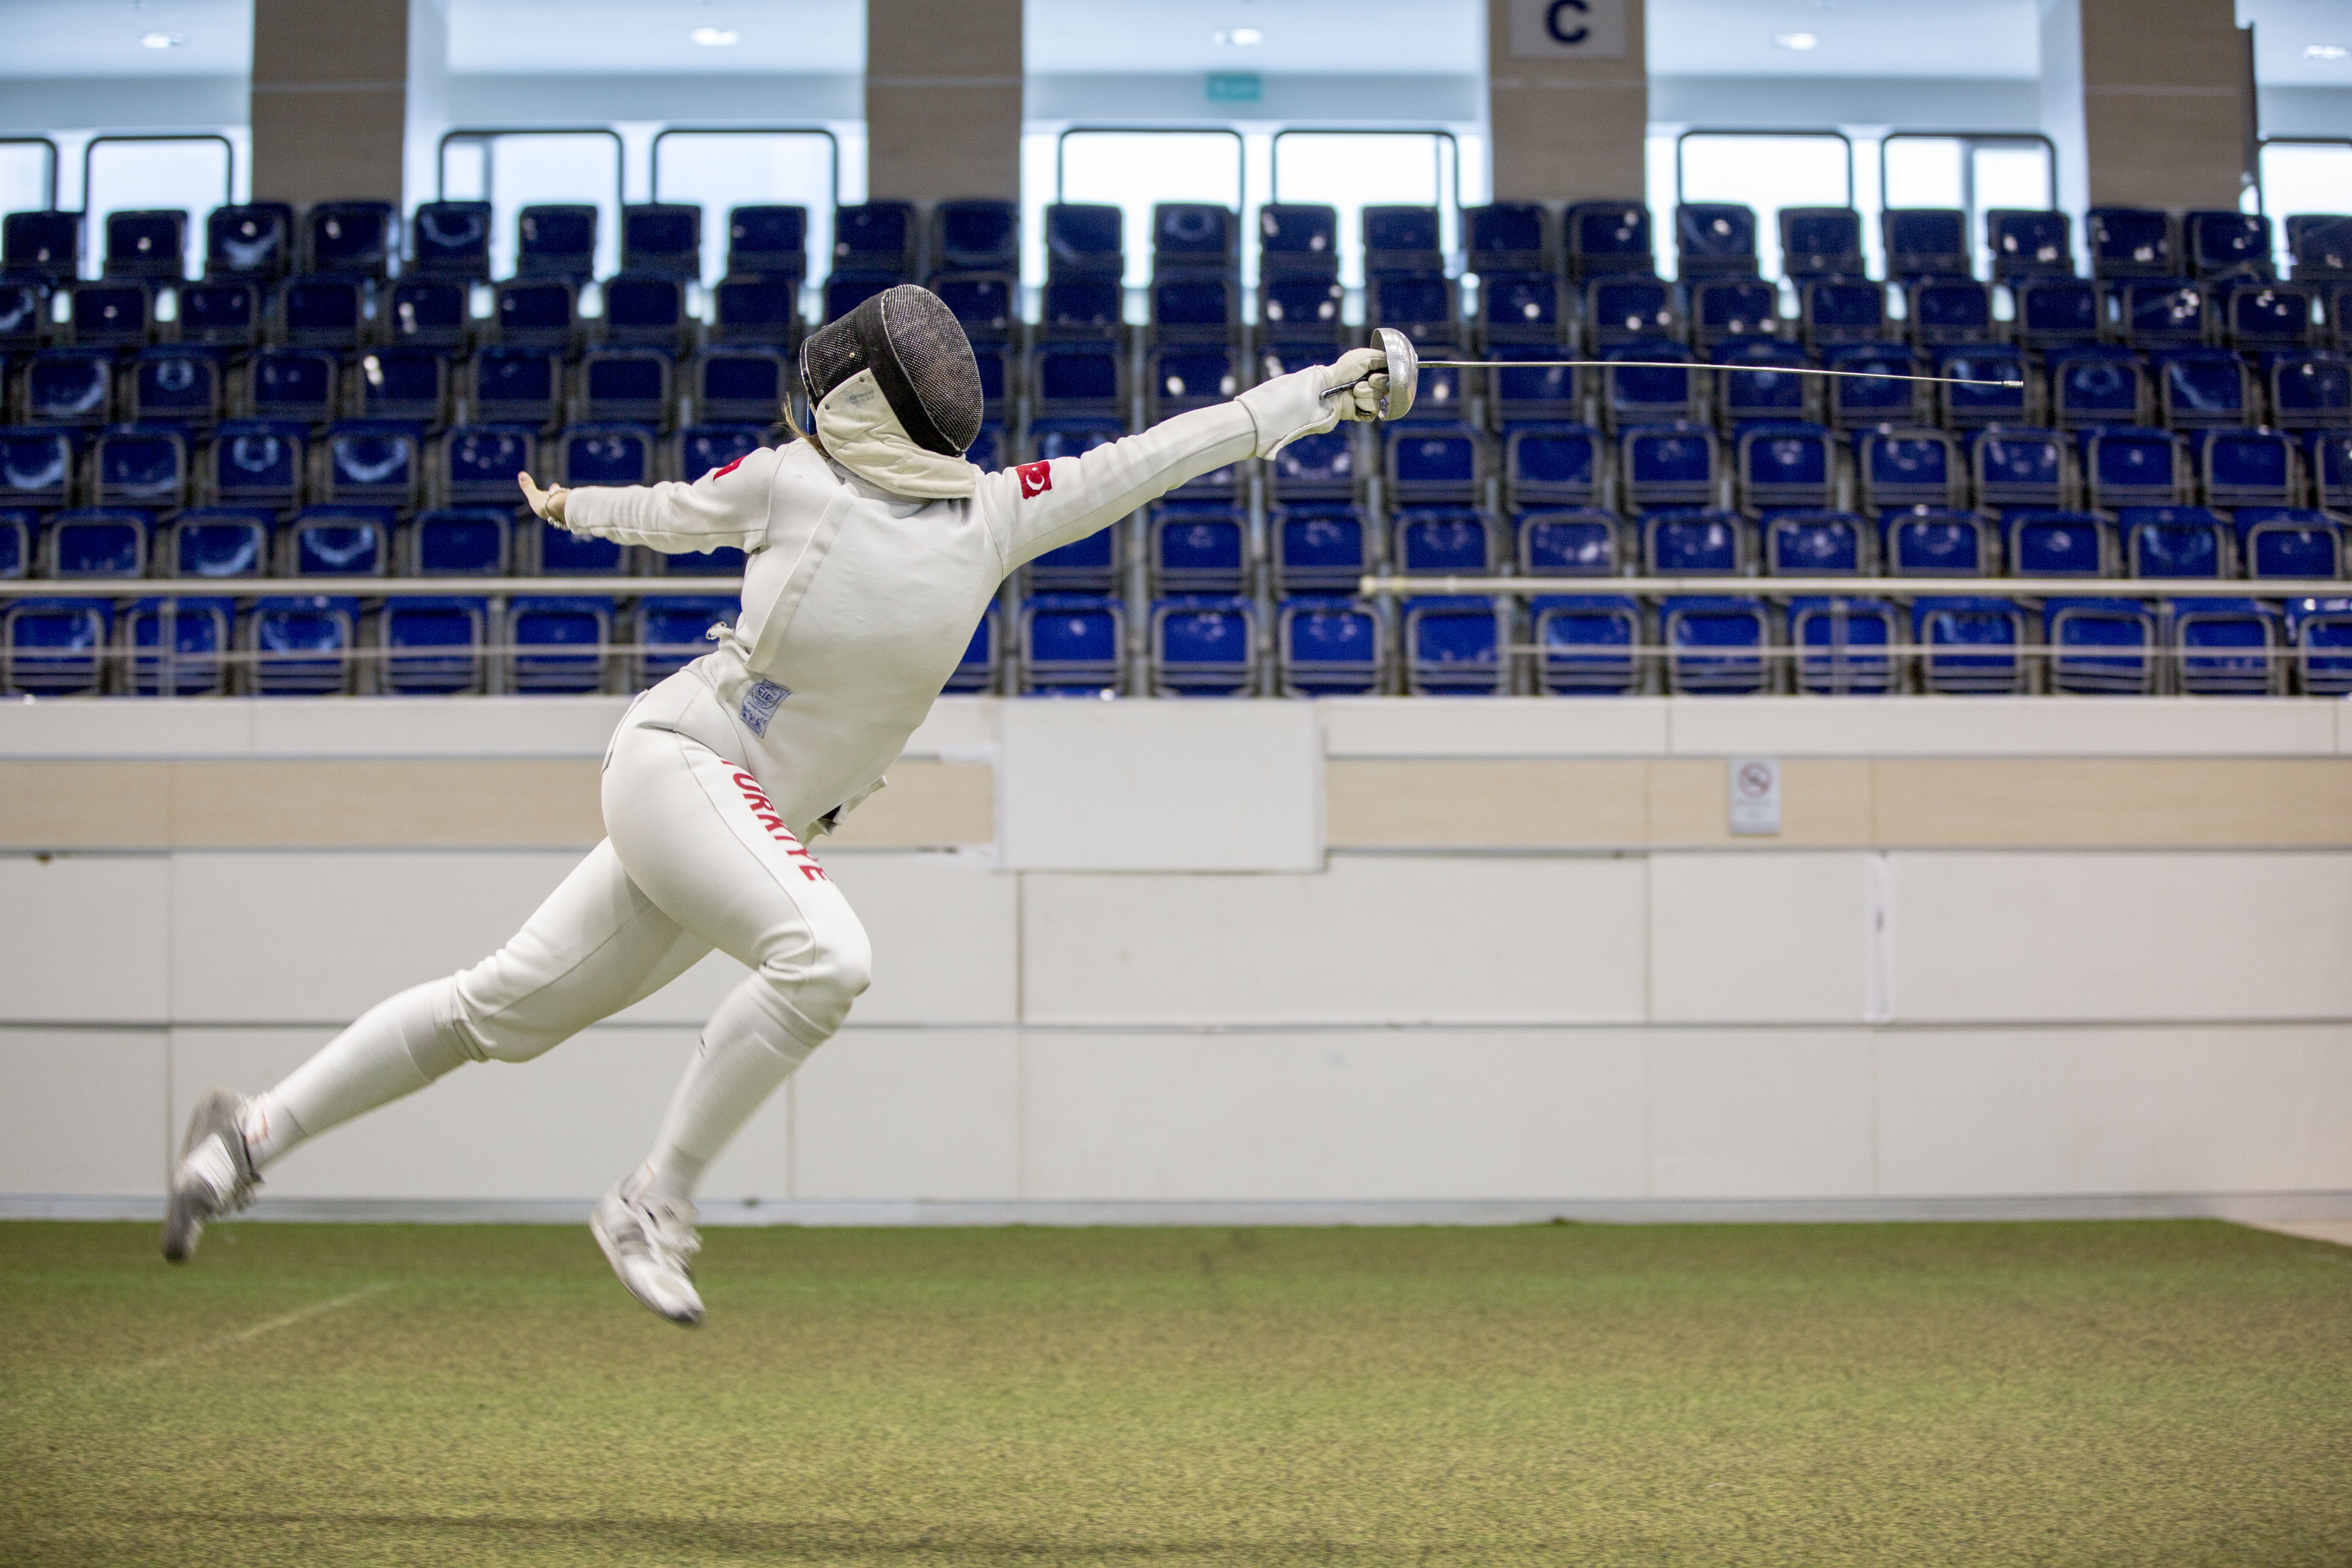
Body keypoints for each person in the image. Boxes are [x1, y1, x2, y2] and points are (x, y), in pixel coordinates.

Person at [163, 284, 1392, 1325]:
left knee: (499, 1011)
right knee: (828, 957)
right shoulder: (791, 482)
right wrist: (570, 509)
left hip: (740, 819)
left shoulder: (995, 514)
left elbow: (1172, 447)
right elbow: (668, 516)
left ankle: (244, 1136)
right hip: (680, 762)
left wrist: (1329, 392)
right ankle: (653, 1202)